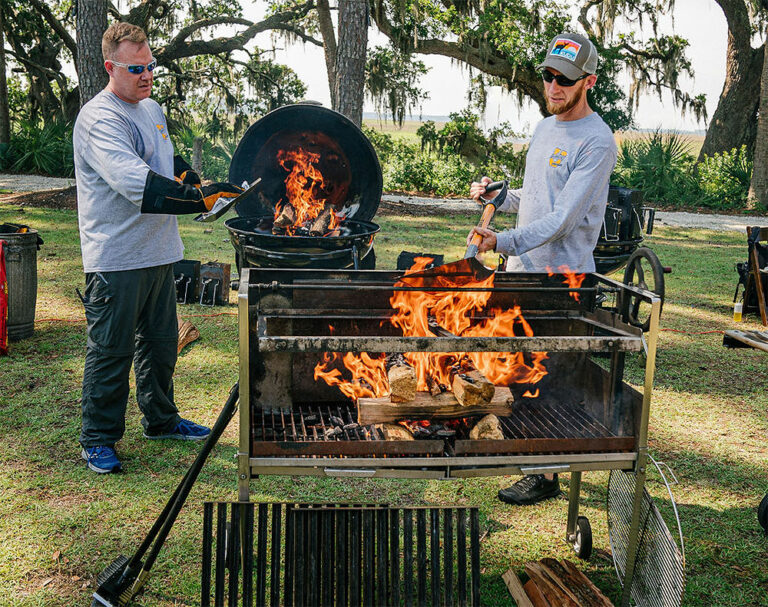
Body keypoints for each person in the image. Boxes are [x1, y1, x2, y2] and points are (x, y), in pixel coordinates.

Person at [74, 22, 242, 474]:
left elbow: (167, 161)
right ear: (110, 67)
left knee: (162, 344)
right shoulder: (100, 118)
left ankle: (161, 420)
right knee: (111, 350)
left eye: (151, 66)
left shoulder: (150, 108)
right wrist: (198, 200)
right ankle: (98, 438)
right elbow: (137, 185)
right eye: (136, 68)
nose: (147, 75)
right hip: (117, 256)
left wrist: (193, 180)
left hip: (159, 251)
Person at [468, 32, 617, 505]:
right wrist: (500, 198)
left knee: (550, 384)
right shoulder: (543, 127)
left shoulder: (597, 143)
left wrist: (503, 240)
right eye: (549, 75)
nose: (553, 86)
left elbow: (563, 220)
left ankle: (546, 475)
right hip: (523, 274)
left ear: (588, 81)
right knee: (518, 373)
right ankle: (529, 457)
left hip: (563, 282)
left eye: (565, 80)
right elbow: (534, 202)